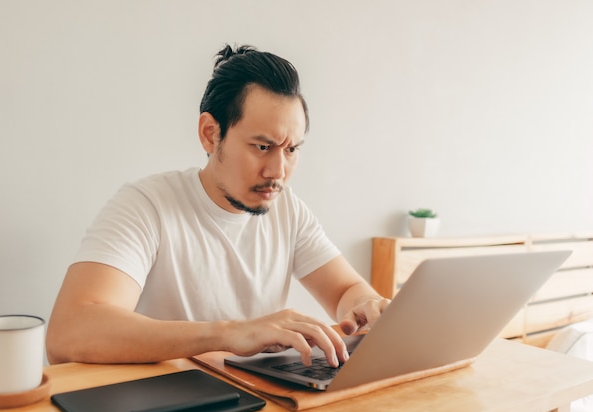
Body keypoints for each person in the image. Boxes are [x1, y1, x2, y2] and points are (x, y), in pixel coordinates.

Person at [46, 44, 389, 368]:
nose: (277, 172)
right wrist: (229, 333)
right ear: (211, 134)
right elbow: (69, 333)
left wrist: (363, 305)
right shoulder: (147, 205)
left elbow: (346, 289)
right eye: (261, 146)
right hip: (168, 399)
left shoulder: (289, 211)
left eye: (291, 150)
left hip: (259, 399)